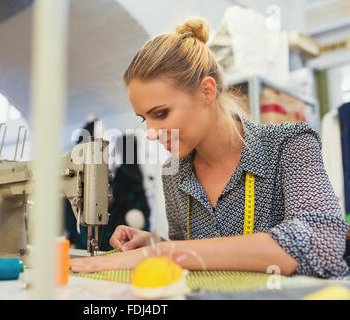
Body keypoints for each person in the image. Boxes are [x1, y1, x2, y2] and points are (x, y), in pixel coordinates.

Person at [70, 18, 350, 279]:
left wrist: (164, 253)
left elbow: (324, 244)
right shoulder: (174, 169)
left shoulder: (290, 143)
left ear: (207, 91)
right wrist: (159, 243)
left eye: (162, 113)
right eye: (146, 119)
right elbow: (195, 256)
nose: (152, 134)